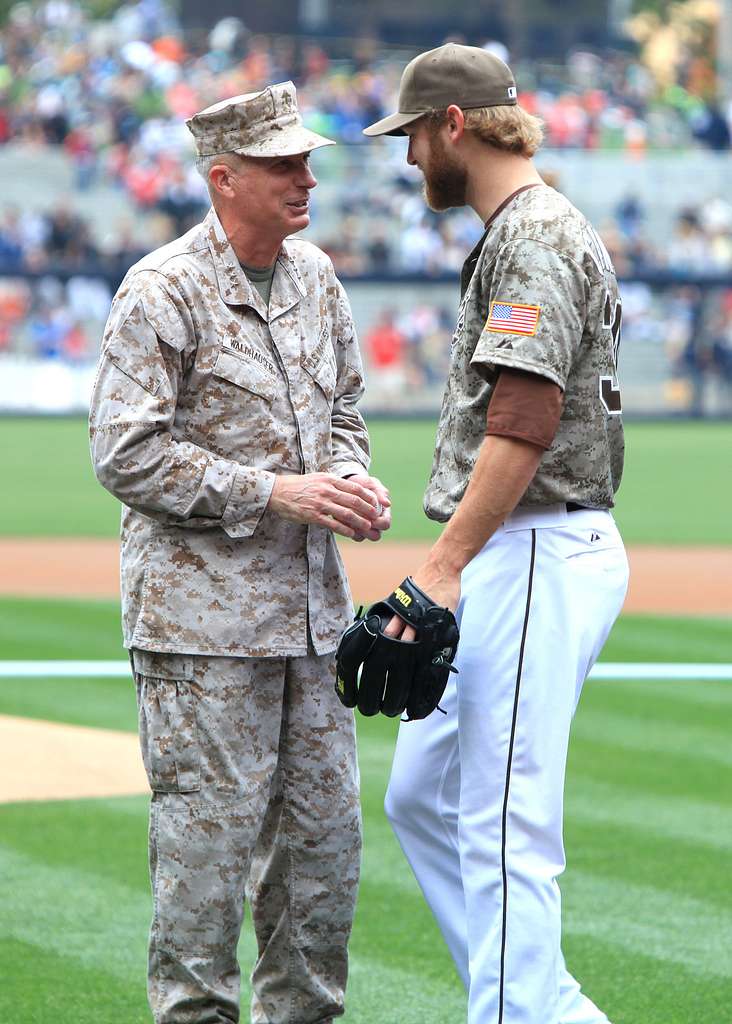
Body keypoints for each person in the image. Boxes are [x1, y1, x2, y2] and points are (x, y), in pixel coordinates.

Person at [89, 81, 390, 1024]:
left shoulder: (317, 277)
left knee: (322, 859)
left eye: (306, 161)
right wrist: (274, 491)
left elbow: (344, 406)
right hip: (203, 629)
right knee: (205, 867)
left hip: (310, 622)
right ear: (224, 179)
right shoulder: (163, 288)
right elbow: (124, 450)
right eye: (282, 165)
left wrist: (345, 475)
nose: (306, 178)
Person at [363, 44, 629, 1024]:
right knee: (423, 798)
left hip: (536, 547)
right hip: (521, 547)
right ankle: (546, 1006)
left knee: (505, 823)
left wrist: (442, 566)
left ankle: (517, 1013)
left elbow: (524, 420)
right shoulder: (525, 227)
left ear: (454, 126)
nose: (408, 161)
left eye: (413, 137)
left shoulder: (533, 237)